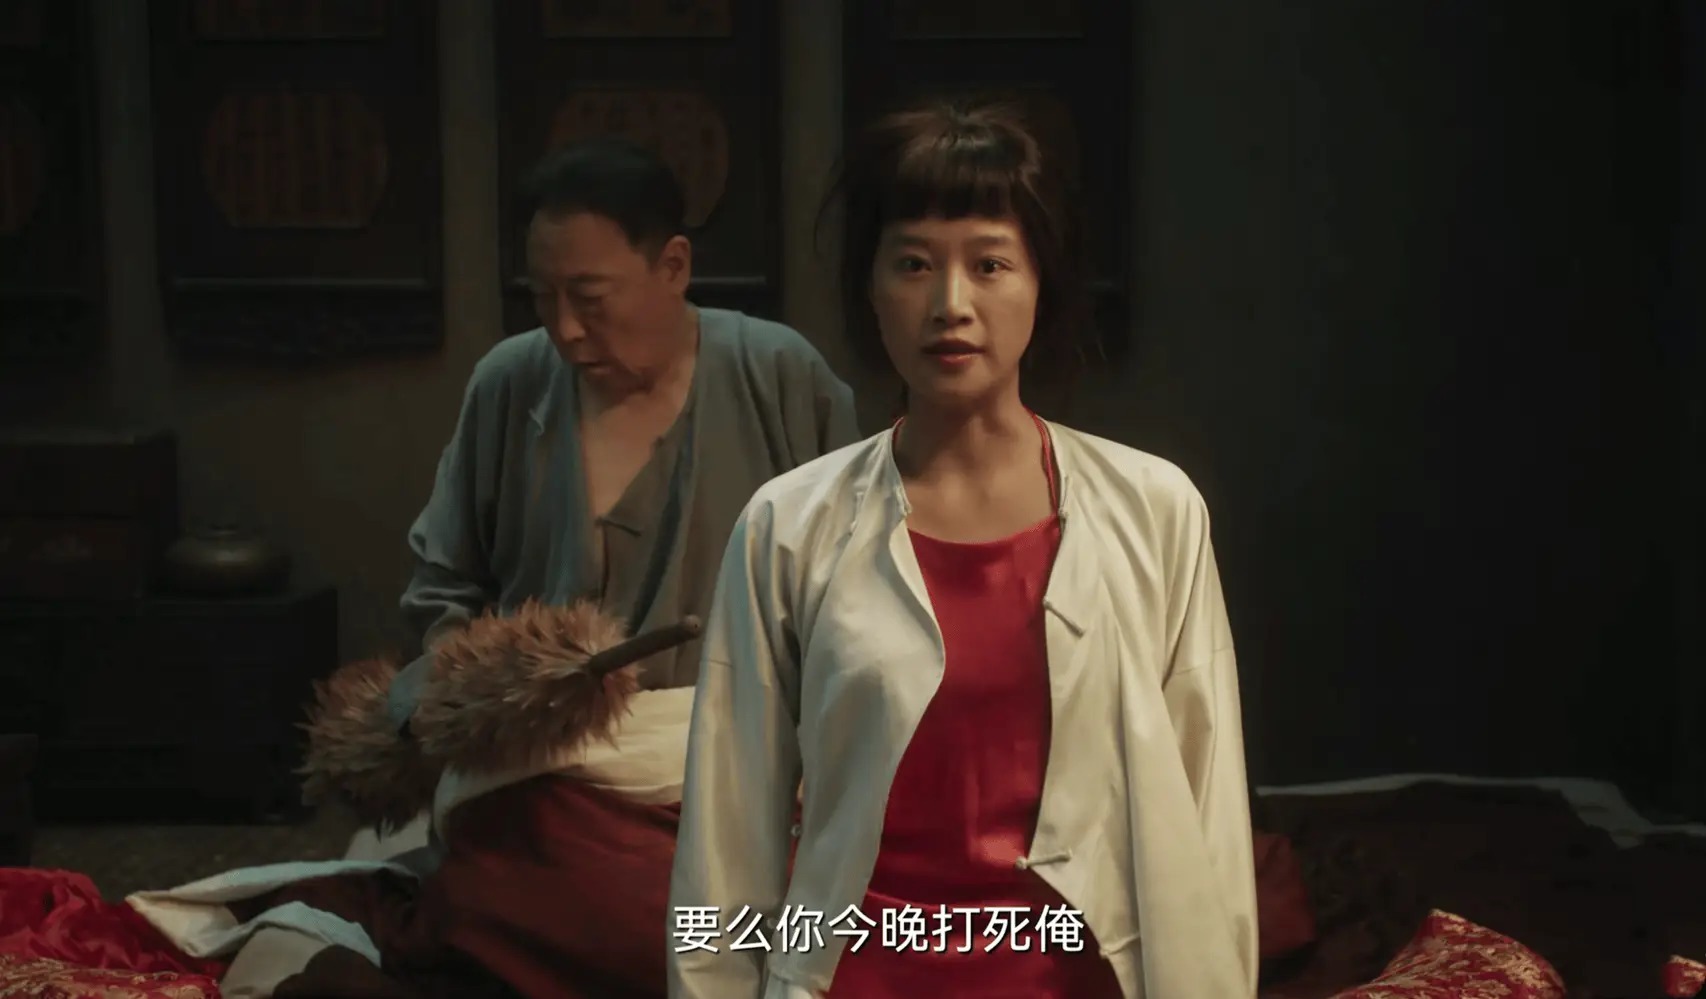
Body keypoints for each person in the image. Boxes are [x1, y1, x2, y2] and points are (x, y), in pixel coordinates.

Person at [129, 138, 861, 999]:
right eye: (542, 297)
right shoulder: (511, 384)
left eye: (589, 297)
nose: (565, 327)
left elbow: (851, 587)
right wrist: (480, 684)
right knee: (528, 890)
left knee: (710, 909)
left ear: (673, 266)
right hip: (541, 766)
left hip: (726, 755)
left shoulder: (779, 376)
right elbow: (445, 588)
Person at [667, 101, 1258, 998]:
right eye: (913, 264)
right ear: (871, 288)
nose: (951, 304)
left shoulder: (1154, 508)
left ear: (1041, 282)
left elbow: (1206, 807)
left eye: (989, 264)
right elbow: (726, 833)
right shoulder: (788, 526)